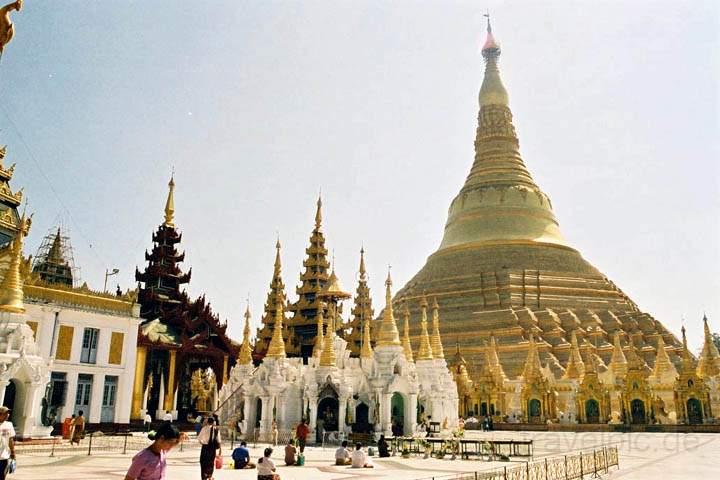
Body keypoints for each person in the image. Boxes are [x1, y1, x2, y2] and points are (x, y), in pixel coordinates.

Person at [0, 406, 16, 480]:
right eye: (5, 413)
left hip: (5, 455)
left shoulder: (9, 424)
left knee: (3, 474)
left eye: (8, 413)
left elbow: (10, 439)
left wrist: (13, 452)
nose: (8, 415)